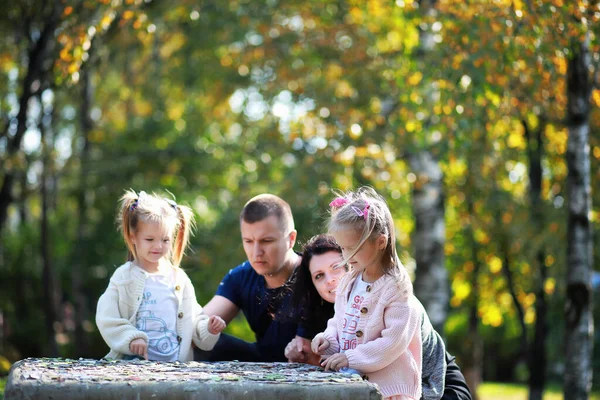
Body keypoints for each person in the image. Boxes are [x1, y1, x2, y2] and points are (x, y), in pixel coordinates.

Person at [285, 234, 473, 400]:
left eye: (337, 267)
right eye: (319, 276)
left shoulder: (395, 295)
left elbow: (385, 352)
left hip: (437, 387)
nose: (330, 279)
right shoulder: (335, 307)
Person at [310, 187, 425, 399]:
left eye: (354, 248)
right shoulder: (349, 281)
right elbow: (340, 321)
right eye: (343, 248)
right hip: (354, 381)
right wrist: (328, 339)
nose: (347, 256)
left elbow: (392, 342)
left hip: (390, 389)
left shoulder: (397, 288)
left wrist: (350, 358)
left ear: (380, 242)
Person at [96, 190, 226, 361]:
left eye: (165, 240)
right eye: (150, 239)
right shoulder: (124, 277)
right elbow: (107, 318)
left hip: (175, 368)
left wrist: (209, 329)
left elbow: (193, 322)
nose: (158, 246)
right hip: (133, 366)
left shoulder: (179, 279)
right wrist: (131, 337)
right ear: (133, 237)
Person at [196, 194, 304, 362]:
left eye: (266, 241)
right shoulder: (240, 276)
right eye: (248, 241)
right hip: (262, 361)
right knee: (209, 343)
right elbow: (198, 328)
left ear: (291, 239)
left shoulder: (317, 274)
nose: (256, 252)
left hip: (315, 362)